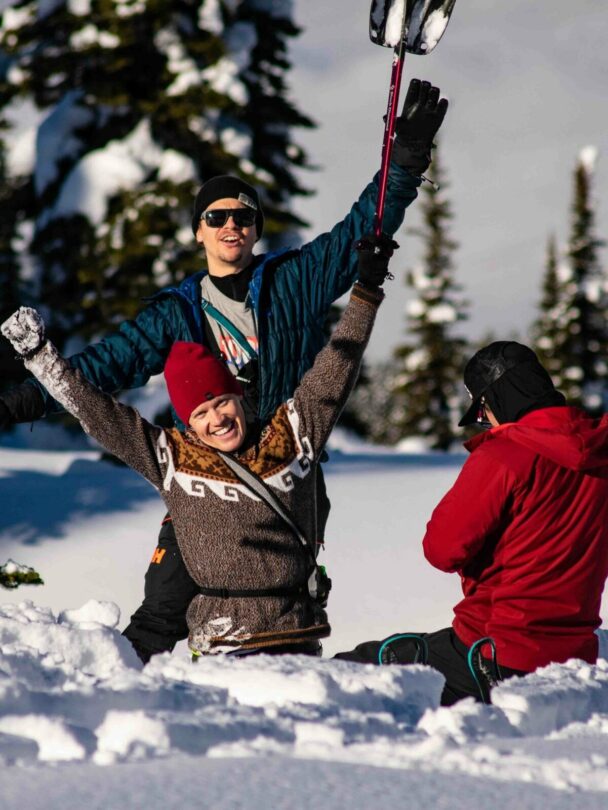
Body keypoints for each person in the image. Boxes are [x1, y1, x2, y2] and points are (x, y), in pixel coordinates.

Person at [0, 79, 449, 662]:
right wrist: (22, 400)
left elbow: (360, 232)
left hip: (281, 477)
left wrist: (405, 159)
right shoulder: (177, 314)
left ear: (256, 227)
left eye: (242, 215)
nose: (230, 225)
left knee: (278, 605)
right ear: (198, 231)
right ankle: (128, 702)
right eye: (216, 216)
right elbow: (102, 370)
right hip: (203, 480)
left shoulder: (292, 280)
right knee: (163, 609)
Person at [1, 236, 395, 657]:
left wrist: (366, 293)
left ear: (239, 397)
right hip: (222, 649)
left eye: (222, 402)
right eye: (202, 413)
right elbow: (96, 411)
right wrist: (41, 358)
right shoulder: (171, 456)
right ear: (187, 422)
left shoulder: (293, 434)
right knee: (157, 616)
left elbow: (339, 363)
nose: (218, 419)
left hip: (294, 641)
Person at [336, 341, 608, 705]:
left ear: (497, 399)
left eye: (483, 412)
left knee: (350, 671)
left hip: (494, 652)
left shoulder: (505, 454)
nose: (487, 422)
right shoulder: (599, 454)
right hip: (575, 656)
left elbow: (442, 549)